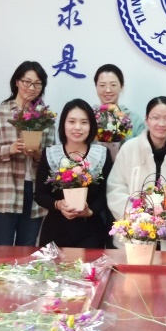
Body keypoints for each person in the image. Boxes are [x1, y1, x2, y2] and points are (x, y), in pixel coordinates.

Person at [107, 96, 166, 251]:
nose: (161, 124)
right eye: (155, 118)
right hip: (133, 239)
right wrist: (136, 216)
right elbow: (116, 189)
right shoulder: (129, 149)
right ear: (146, 120)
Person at [0, 61, 54, 246]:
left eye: (37, 84)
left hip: (35, 193)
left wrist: (38, 154)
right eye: (27, 82)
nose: (32, 88)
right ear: (16, 82)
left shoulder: (46, 118)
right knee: (2, 249)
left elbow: (52, 157)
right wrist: (9, 149)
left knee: (27, 249)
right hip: (5, 192)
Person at [34, 99, 112, 248]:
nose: (77, 127)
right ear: (63, 124)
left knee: (90, 264)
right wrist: (58, 204)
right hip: (55, 230)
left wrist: (90, 211)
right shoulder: (50, 154)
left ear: (91, 125)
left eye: (84, 122)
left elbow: (106, 194)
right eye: (71, 122)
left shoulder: (102, 154)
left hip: (91, 231)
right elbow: (40, 194)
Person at [93, 64, 145, 143]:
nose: (108, 90)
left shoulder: (134, 119)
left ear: (121, 86)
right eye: (102, 85)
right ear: (96, 87)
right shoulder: (88, 117)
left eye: (113, 85)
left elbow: (143, 147)